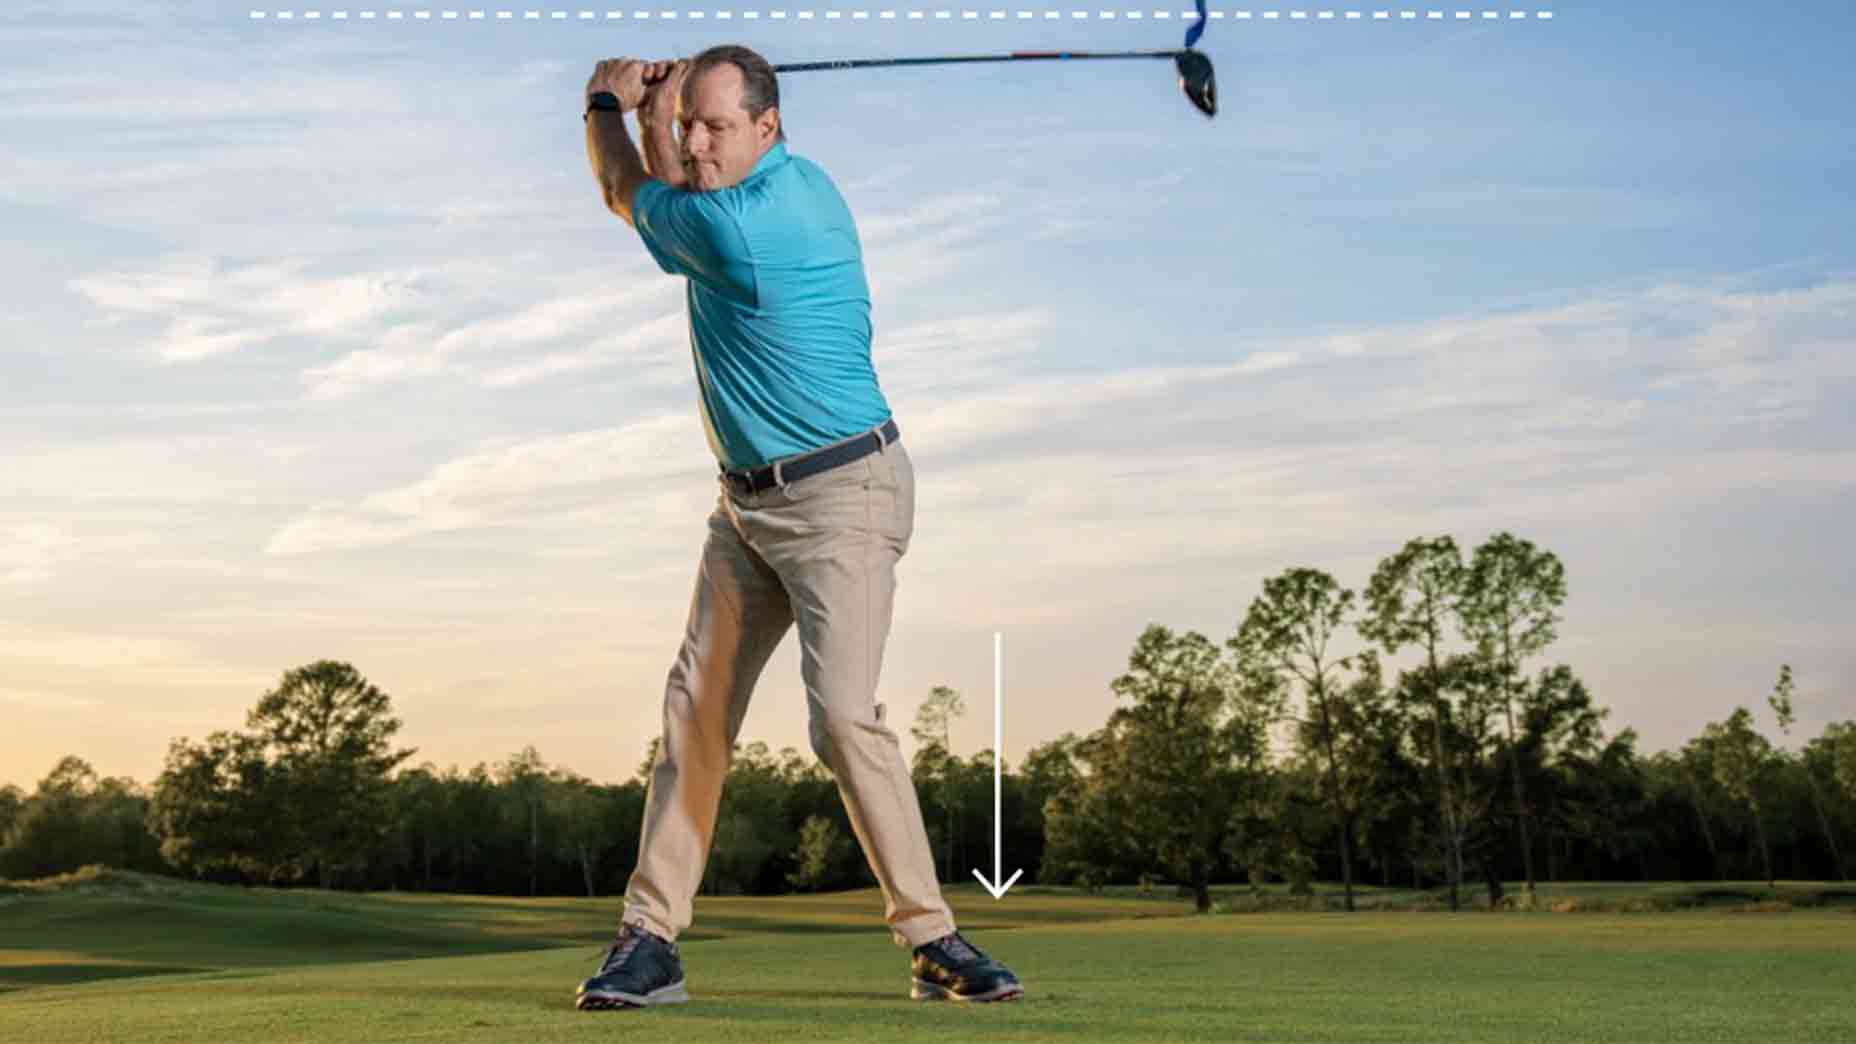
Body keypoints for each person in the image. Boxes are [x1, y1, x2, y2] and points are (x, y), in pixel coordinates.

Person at [575, 45, 1024, 1010]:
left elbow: (628, 192)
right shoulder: (759, 184)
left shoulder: (755, 224)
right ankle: (649, 942)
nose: (699, 144)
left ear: (767, 126)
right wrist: (661, 113)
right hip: (745, 508)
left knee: (842, 717)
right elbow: (672, 190)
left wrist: (607, 104)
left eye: (716, 126)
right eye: (691, 125)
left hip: (841, 498)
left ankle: (933, 937)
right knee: (694, 711)